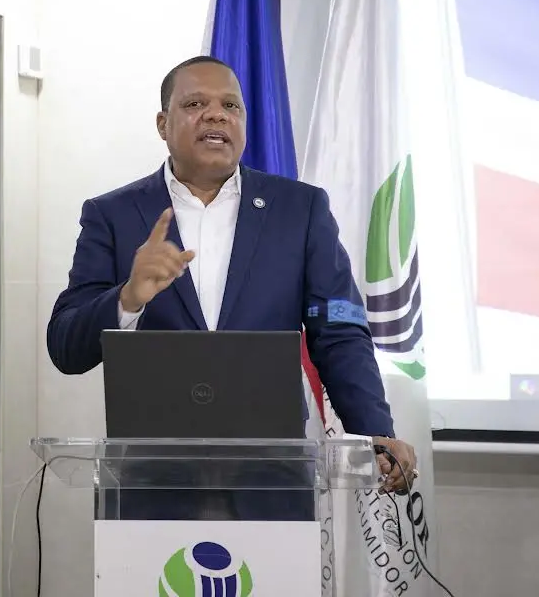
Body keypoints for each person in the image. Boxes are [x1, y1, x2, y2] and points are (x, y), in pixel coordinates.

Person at [47, 55, 418, 514]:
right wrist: (127, 299)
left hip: (271, 483)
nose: (216, 115)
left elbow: (339, 334)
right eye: (195, 104)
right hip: (151, 489)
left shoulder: (299, 210)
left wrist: (375, 431)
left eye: (230, 106)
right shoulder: (113, 215)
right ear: (163, 124)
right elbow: (65, 347)